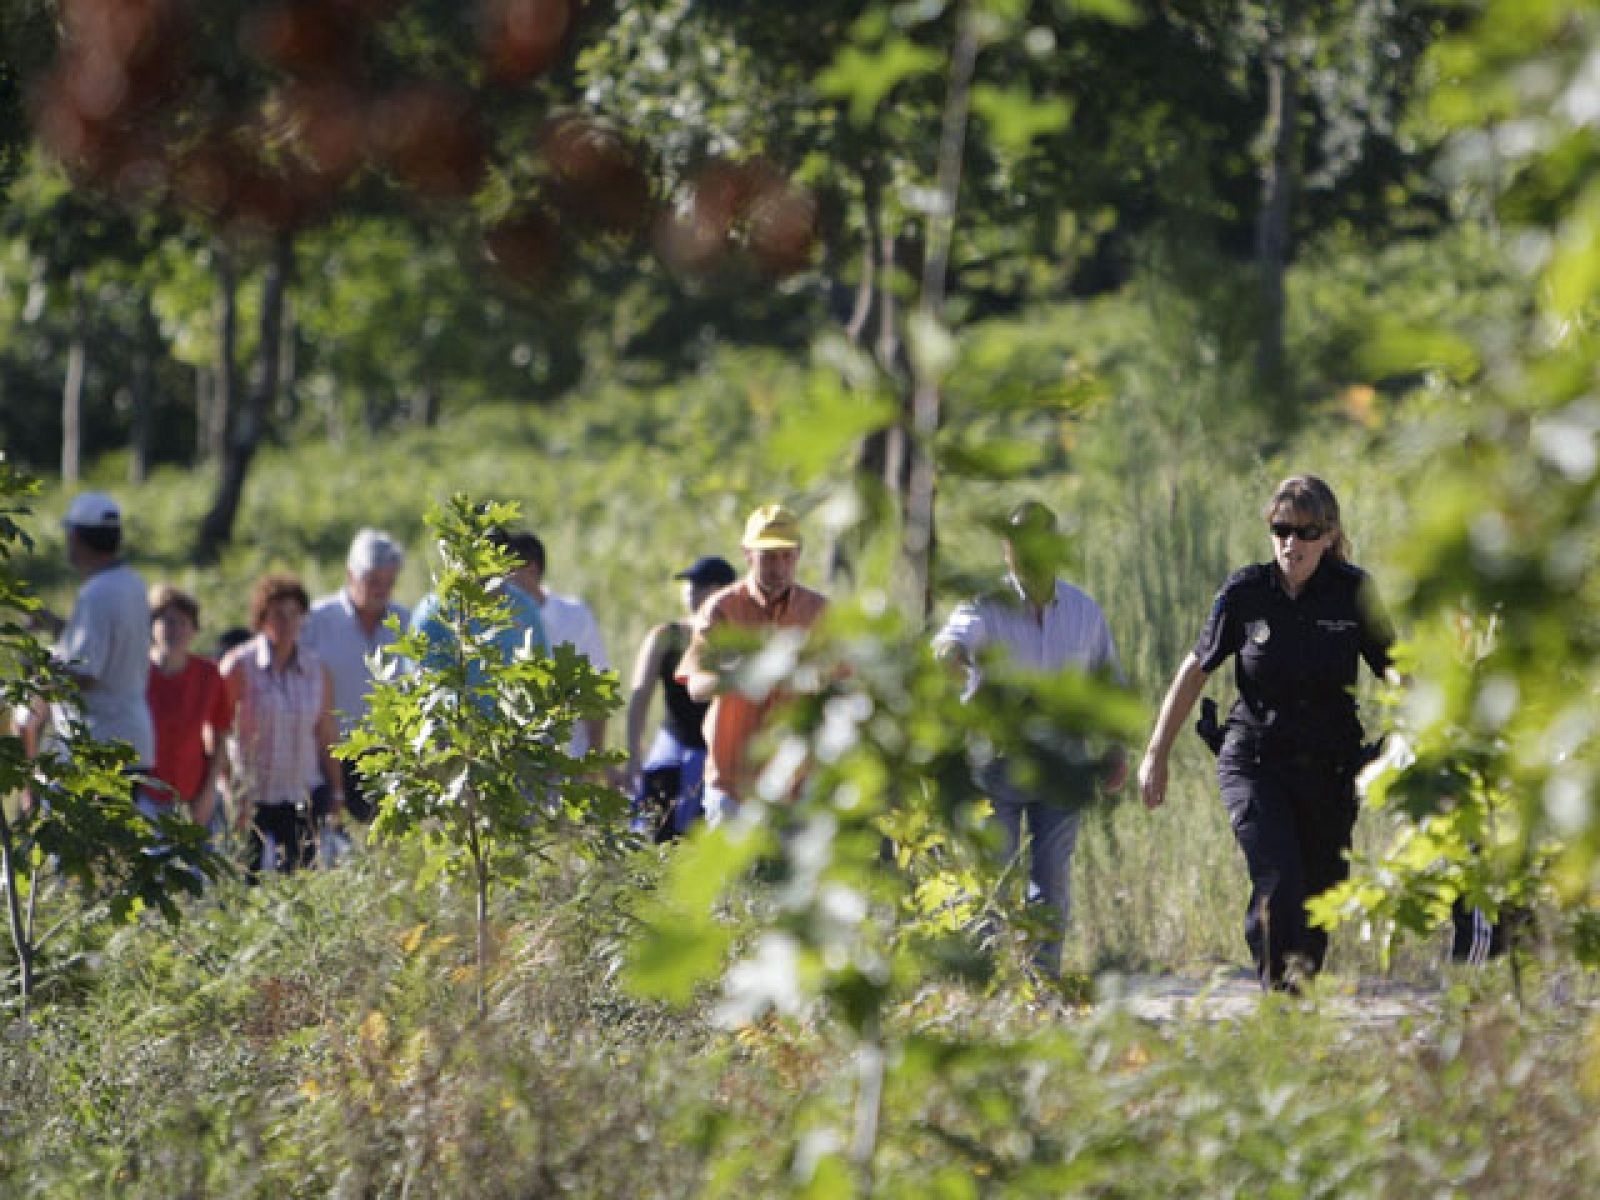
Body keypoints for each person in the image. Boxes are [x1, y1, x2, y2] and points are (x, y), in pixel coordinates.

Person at [1138, 475, 1394, 992]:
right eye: (1281, 530)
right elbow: (1195, 669)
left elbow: (1398, 670)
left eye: (1305, 532)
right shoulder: (1246, 592)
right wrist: (1156, 753)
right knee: (1278, 884)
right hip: (1255, 761)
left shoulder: (1353, 593)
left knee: (1319, 901)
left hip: (1331, 767)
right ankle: (1280, 1001)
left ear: (1328, 535)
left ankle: (1298, 1004)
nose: (1291, 544)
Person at [932, 500, 1128, 979]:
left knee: (1052, 880)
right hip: (994, 762)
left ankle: (1043, 985)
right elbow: (953, 640)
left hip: (1064, 762)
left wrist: (1116, 750)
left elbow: (1109, 686)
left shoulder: (1083, 612)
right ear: (1006, 551)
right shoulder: (985, 604)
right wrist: (952, 657)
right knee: (992, 878)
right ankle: (992, 985)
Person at [678, 504, 828, 826]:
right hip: (733, 787)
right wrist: (744, 671)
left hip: (798, 785)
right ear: (747, 554)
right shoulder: (722, 609)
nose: (779, 567)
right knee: (733, 879)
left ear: (798, 555)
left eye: (787, 556)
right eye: (768, 556)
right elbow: (696, 687)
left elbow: (843, 687)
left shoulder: (818, 611)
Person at [24, 492, 155, 786]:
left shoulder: (96, 593)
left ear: (76, 537)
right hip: (129, 738)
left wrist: (36, 666)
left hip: (100, 744)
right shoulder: (131, 583)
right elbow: (103, 649)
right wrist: (57, 626)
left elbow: (86, 673)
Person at [220, 575, 342, 878]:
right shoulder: (239, 665)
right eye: (277, 614)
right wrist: (227, 789)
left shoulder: (316, 670)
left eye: (293, 614)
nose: (286, 623)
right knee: (245, 883)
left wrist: (337, 791)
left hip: (300, 794)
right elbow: (217, 732)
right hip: (253, 796)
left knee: (300, 884)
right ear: (262, 619)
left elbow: (326, 731)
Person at [625, 554, 737, 839]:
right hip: (674, 743)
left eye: (698, 585)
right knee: (652, 823)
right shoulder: (666, 636)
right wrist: (634, 755)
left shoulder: (738, 639)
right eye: (688, 584)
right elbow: (640, 697)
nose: (689, 591)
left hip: (717, 748)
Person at [301, 528, 409, 822]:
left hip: (387, 754)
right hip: (329, 753)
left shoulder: (406, 622)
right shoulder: (316, 621)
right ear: (351, 575)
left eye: (389, 582)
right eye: (373, 581)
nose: (381, 590)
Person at [502, 531, 609, 758]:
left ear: (531, 570)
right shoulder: (495, 623)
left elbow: (599, 686)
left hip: (570, 756)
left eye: (506, 571)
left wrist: (594, 757)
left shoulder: (575, 615)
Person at [409, 527, 547, 685]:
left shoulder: (523, 607)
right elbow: (421, 674)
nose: (484, 577)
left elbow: (541, 666)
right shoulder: (434, 609)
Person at [144, 585, 234, 829]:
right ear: (152, 626)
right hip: (143, 792)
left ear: (194, 630)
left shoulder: (207, 674)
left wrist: (208, 792)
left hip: (193, 791)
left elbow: (220, 733)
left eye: (184, 623)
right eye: (168, 622)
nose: (176, 631)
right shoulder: (135, 673)